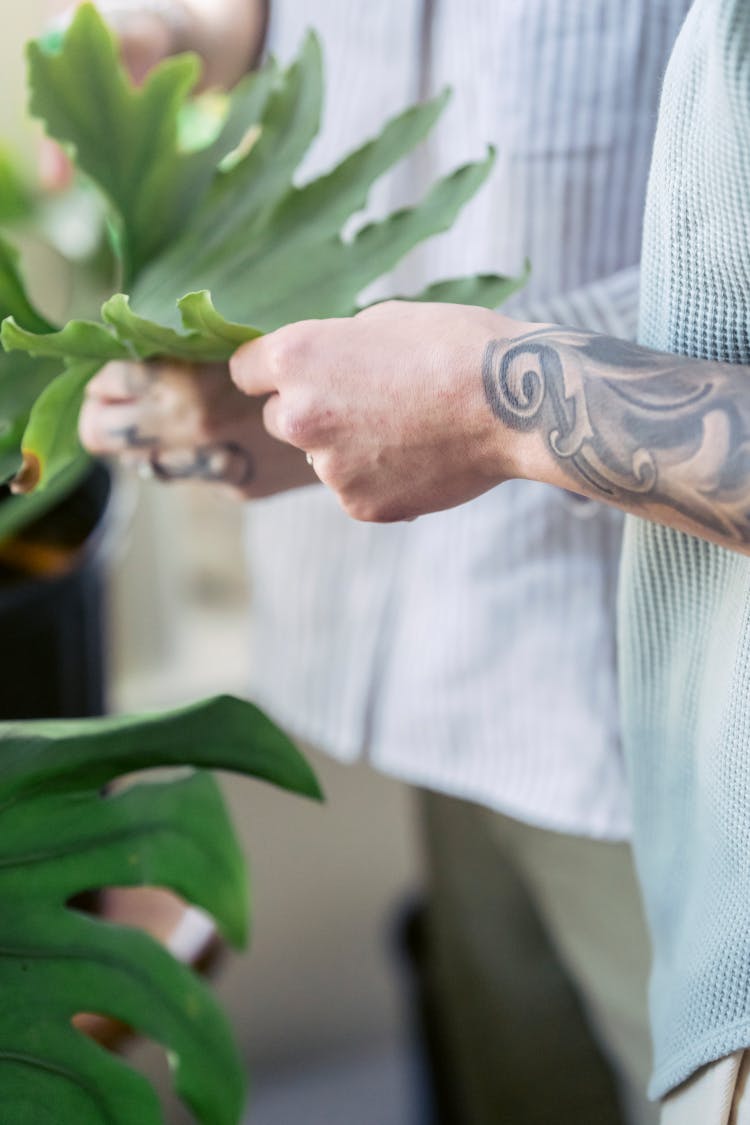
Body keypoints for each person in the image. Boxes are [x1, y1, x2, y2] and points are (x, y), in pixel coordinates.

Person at [69, 1, 693, 1120]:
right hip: (427, 653)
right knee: (509, 1072)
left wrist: (479, 404)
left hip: (665, 678)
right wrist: (191, 38)